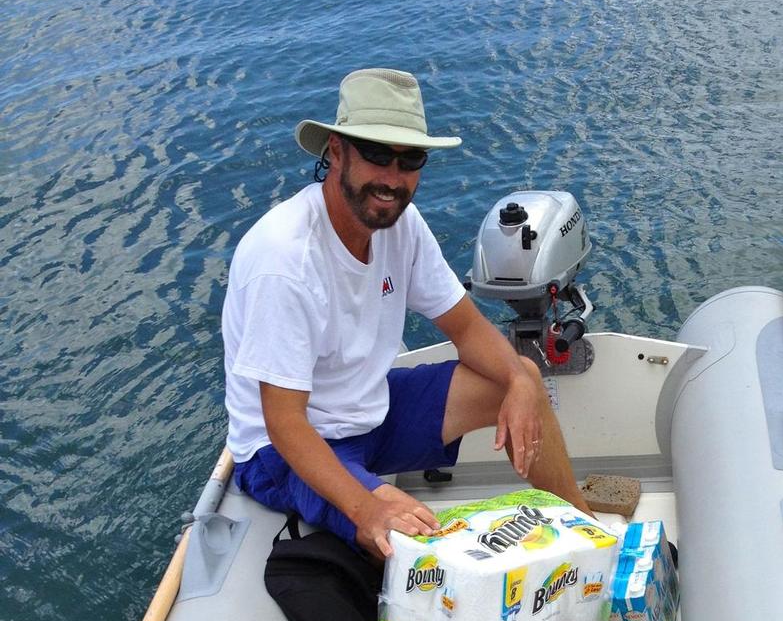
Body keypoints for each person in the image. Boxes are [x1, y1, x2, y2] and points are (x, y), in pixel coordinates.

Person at [224, 67, 593, 559]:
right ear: (335, 152)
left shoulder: (401, 225)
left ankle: (586, 531)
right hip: (286, 452)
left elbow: (464, 325)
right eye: (377, 155)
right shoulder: (285, 259)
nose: (393, 179)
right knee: (412, 540)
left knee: (520, 373)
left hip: (369, 412)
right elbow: (284, 423)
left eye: (410, 159)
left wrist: (521, 381)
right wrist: (366, 507)